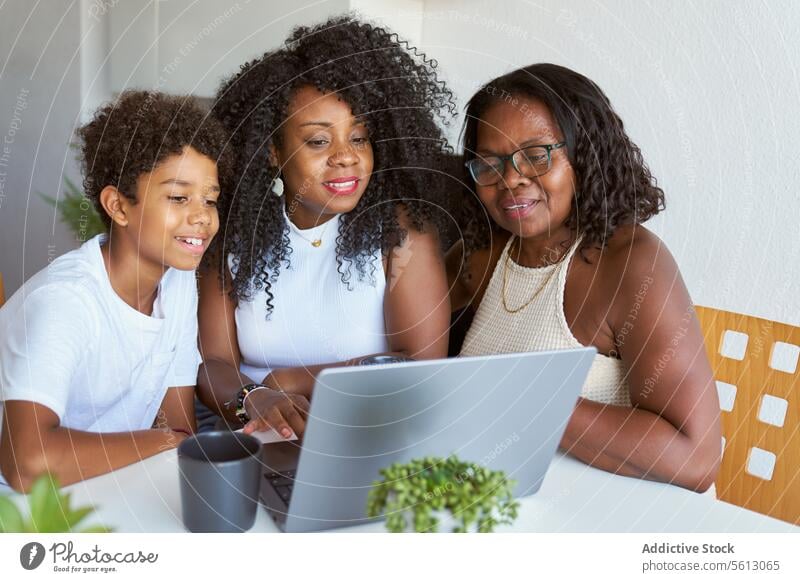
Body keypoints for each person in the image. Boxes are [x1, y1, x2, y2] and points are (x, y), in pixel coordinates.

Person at [448, 64, 721, 492]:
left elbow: (697, 458)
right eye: (489, 163)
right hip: (503, 502)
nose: (511, 179)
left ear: (584, 156)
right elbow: (399, 343)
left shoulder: (632, 262)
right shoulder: (485, 253)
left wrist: (535, 401)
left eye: (537, 156)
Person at [197, 16, 455, 437]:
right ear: (272, 151)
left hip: (369, 432)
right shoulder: (231, 235)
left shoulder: (400, 234)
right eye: (318, 141)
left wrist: (294, 380)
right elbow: (215, 364)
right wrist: (254, 399)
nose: (346, 157)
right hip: (254, 433)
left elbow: (420, 368)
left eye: (359, 138)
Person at [0, 91, 228, 491]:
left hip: (114, 488)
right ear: (118, 207)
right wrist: (167, 442)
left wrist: (176, 445)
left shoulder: (177, 283)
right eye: (178, 197)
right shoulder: (65, 302)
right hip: (26, 513)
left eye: (210, 200)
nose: (202, 216)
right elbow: (26, 465)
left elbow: (178, 424)